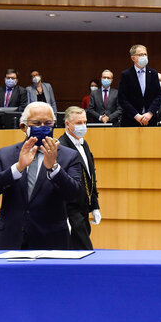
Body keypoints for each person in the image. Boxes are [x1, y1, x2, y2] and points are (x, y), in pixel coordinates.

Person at [0, 102, 81, 249]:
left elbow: (76, 194)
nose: (43, 127)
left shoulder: (69, 156)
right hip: (9, 239)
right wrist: (18, 168)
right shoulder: (5, 154)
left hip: (52, 241)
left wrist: (54, 168)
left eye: (48, 123)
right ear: (24, 127)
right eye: (36, 123)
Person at [58, 106, 101, 250]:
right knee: (85, 249)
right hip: (69, 210)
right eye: (78, 123)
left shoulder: (84, 144)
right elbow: (59, 183)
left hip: (83, 207)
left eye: (84, 122)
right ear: (67, 124)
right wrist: (64, 216)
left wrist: (94, 206)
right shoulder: (61, 147)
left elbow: (90, 176)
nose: (83, 126)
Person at [118, 45, 161, 127]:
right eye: (141, 55)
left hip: (150, 120)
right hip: (130, 120)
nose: (144, 57)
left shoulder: (153, 73)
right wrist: (136, 115)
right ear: (133, 58)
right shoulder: (126, 75)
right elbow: (122, 98)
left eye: (145, 54)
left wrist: (150, 113)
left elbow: (158, 96)